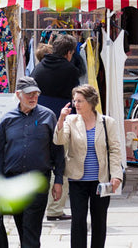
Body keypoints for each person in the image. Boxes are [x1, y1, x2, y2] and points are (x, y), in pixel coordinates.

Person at [0, 76, 65, 247]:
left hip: (37, 181)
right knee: (22, 227)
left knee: (31, 229)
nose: (33, 98)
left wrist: (59, 180)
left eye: (36, 94)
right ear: (18, 95)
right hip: (13, 182)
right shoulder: (7, 119)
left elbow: (57, 151)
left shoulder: (48, 116)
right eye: (28, 94)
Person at [54, 84, 122, 248]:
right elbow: (59, 140)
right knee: (78, 220)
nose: (76, 104)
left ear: (91, 102)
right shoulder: (71, 120)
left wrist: (116, 175)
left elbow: (114, 150)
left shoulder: (107, 122)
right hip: (77, 179)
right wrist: (61, 119)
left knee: (99, 220)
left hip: (101, 180)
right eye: (75, 100)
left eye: (80, 101)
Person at [31, 34, 80, 221]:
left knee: (40, 164)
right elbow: (75, 101)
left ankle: (37, 206)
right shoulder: (70, 70)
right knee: (61, 164)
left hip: (39, 123)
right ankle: (55, 209)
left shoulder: (38, 68)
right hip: (61, 123)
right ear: (69, 53)